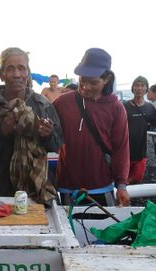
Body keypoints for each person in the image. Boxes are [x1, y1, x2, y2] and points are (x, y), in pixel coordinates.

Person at [0, 47, 61, 202]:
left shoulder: (42, 105)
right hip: (1, 189)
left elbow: (57, 144)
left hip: (38, 189)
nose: (16, 74)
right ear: (2, 75)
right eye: (10, 69)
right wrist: (2, 132)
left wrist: (47, 135)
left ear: (28, 73)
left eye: (22, 68)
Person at [53, 48, 129, 206]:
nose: (86, 87)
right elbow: (46, 134)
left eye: (93, 82)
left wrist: (121, 184)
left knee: (103, 228)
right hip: (67, 185)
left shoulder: (116, 107)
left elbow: (121, 148)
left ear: (107, 79)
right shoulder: (62, 103)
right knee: (71, 228)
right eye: (82, 80)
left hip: (102, 185)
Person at [123, 76, 156, 184]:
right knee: (122, 180)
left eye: (142, 85)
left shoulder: (149, 107)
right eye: (136, 85)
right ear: (132, 88)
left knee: (137, 178)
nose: (139, 88)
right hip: (124, 151)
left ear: (146, 89)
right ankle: (122, 199)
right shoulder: (124, 106)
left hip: (141, 151)